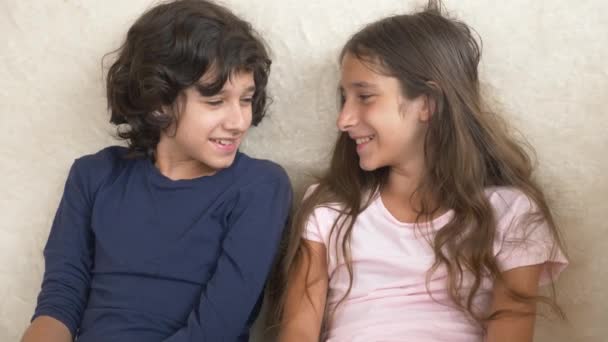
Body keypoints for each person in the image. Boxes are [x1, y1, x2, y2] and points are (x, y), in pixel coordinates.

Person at [268, 1, 567, 341]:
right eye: (344, 99)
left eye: (364, 96)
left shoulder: (510, 213)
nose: (344, 119)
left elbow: (511, 331)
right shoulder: (331, 207)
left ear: (427, 104)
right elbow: (298, 331)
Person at [21, 1, 292, 341]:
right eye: (215, 101)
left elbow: (215, 329)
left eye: (246, 99)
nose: (239, 122)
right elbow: (59, 303)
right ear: (158, 102)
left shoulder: (259, 187)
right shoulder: (94, 176)